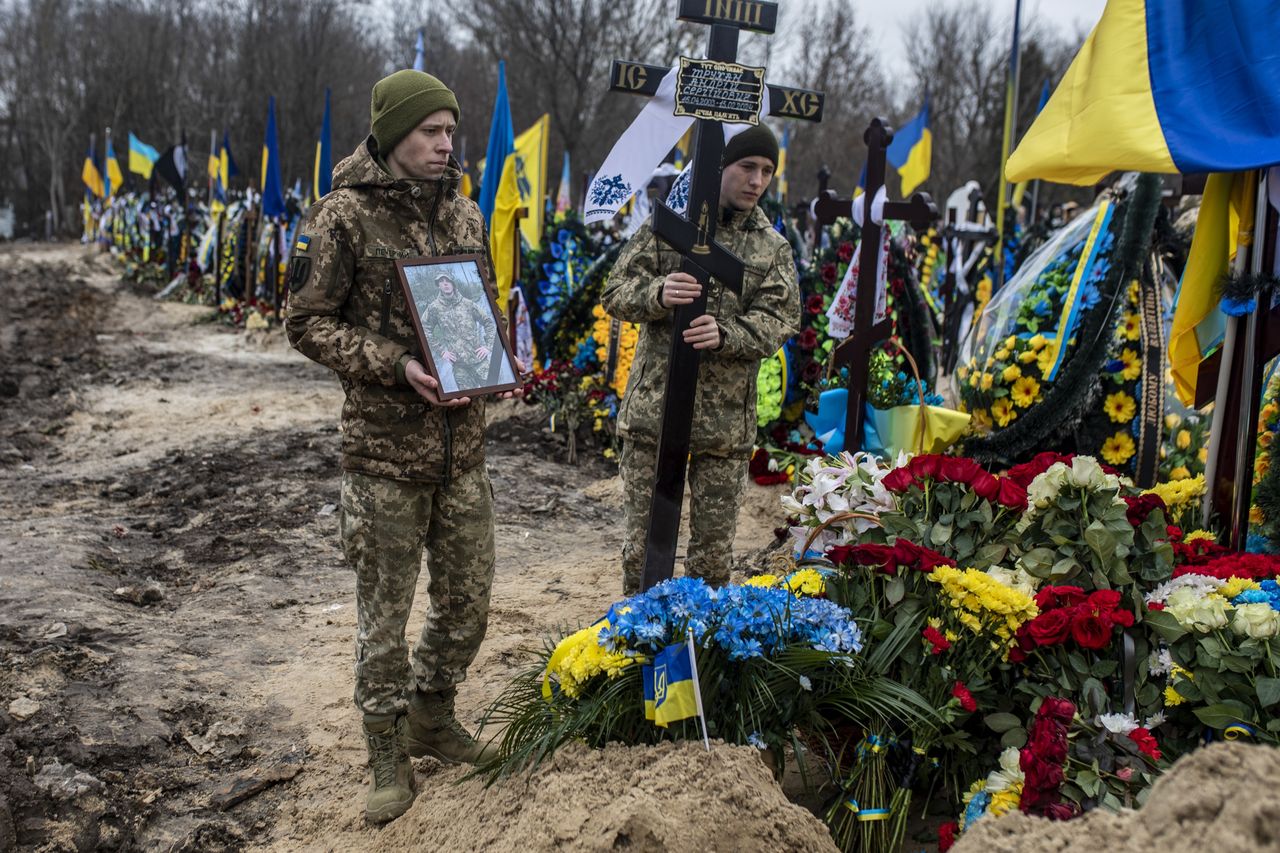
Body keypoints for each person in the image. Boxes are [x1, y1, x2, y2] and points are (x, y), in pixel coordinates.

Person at [285, 69, 515, 824]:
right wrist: (396, 364)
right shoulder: (343, 215)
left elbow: (475, 308)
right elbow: (306, 322)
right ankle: (385, 749)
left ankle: (432, 712)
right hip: (385, 453)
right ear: (393, 135)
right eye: (431, 132)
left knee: (468, 604)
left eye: (452, 131)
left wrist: (495, 363)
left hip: (461, 451)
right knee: (383, 616)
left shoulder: (466, 214)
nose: (446, 144)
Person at [601, 124, 800, 596]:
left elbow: (781, 318)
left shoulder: (772, 248)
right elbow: (614, 292)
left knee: (712, 558)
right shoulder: (667, 227)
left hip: (723, 426)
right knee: (643, 551)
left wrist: (728, 333)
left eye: (766, 171)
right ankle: (639, 647)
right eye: (746, 167)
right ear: (718, 169)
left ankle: (701, 652)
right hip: (656, 412)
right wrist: (658, 292)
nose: (757, 181)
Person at [423, 271, 495, 391]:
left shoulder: (467, 304)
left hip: (480, 362)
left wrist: (488, 346)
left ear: (453, 284)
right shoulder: (434, 308)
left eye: (448, 281)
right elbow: (424, 328)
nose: (445, 284)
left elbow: (488, 322)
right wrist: (441, 351)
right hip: (460, 368)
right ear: (438, 286)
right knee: (466, 403)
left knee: (496, 395)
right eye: (441, 282)